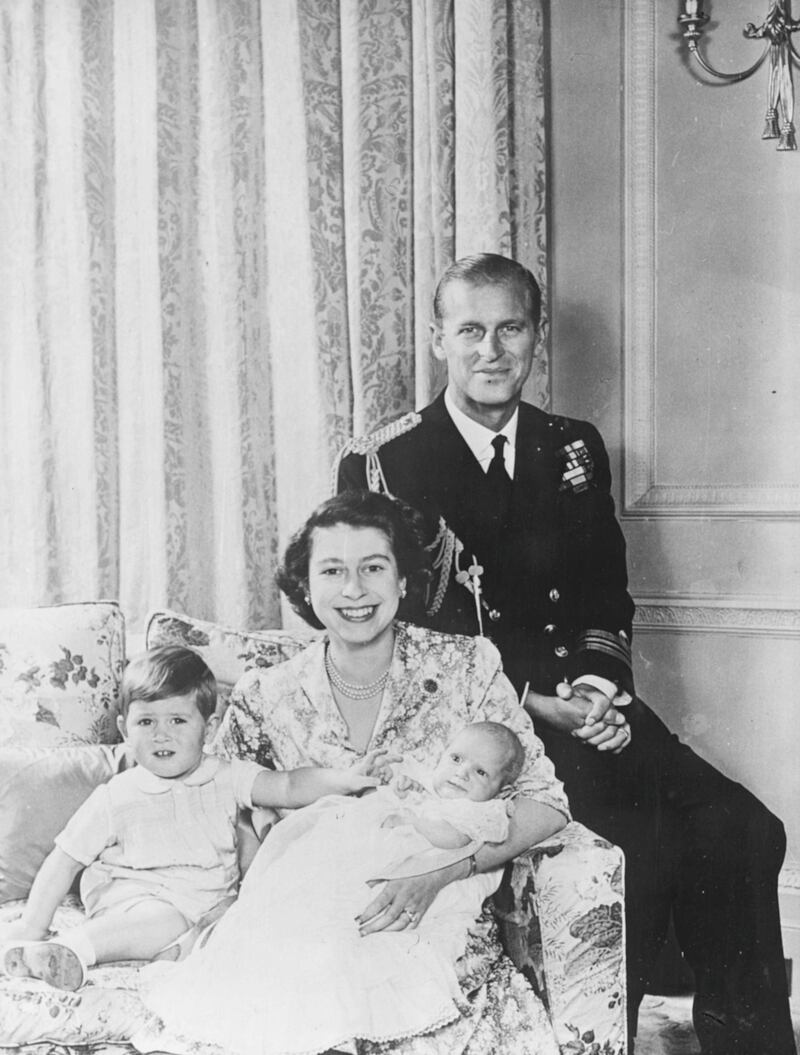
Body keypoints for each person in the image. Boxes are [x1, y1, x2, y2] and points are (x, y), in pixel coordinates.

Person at [336, 252, 795, 1055]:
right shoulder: (387, 463)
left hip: (584, 706)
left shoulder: (572, 446)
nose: (490, 349)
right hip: (484, 732)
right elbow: (401, 638)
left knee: (745, 827)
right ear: (439, 338)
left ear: (535, 337)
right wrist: (536, 702)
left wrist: (599, 686)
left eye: (510, 328)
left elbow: (603, 593)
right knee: (638, 852)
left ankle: (744, 1041)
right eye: (470, 329)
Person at [135, 490, 569, 1055]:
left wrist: (442, 871)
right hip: (302, 932)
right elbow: (221, 810)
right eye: (333, 570)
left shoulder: (468, 665)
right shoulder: (266, 695)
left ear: (404, 582)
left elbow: (546, 802)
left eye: (374, 568)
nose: (354, 590)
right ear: (307, 589)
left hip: (427, 933)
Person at [141, 721, 544, 1055]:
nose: (461, 773)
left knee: (345, 947)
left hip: (408, 893)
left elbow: (452, 840)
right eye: (456, 759)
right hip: (358, 872)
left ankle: (331, 1037)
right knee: (292, 917)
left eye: (480, 773)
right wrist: (389, 791)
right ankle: (206, 1028)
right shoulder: (425, 790)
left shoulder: (479, 814)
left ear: (499, 790)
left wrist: (413, 815)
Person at [0, 645, 381, 992]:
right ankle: (68, 949)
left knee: (252, 927)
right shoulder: (116, 796)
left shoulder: (229, 776)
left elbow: (287, 786)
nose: (161, 736)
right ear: (124, 730)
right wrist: (33, 925)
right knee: (164, 920)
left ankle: (174, 955)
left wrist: (343, 779)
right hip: (134, 894)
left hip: (208, 901)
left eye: (177, 721)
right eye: (146, 722)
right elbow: (64, 860)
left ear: (209, 728)